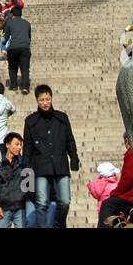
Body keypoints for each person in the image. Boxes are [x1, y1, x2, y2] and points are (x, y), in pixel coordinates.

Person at [23, 85, 80, 228]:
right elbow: (27, 148)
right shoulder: (31, 121)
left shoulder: (61, 118)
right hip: (41, 166)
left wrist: (74, 158)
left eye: (47, 99)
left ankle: (58, 225)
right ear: (37, 100)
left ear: (51, 98)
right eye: (41, 100)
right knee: (41, 203)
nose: (45, 102)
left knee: (65, 201)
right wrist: (26, 170)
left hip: (60, 165)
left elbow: (69, 140)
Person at [0, 132, 34, 228]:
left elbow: (30, 187)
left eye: (21, 145)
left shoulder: (24, 163)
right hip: (4, 208)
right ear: (7, 145)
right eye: (17, 144)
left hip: (21, 209)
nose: (20, 147)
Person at [2, 5, 32, 92]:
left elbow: (6, 37)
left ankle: (14, 85)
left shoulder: (9, 23)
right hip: (25, 47)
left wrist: (3, 46)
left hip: (13, 47)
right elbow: (29, 37)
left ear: (12, 14)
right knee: (25, 68)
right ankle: (25, 87)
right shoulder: (27, 23)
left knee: (12, 67)